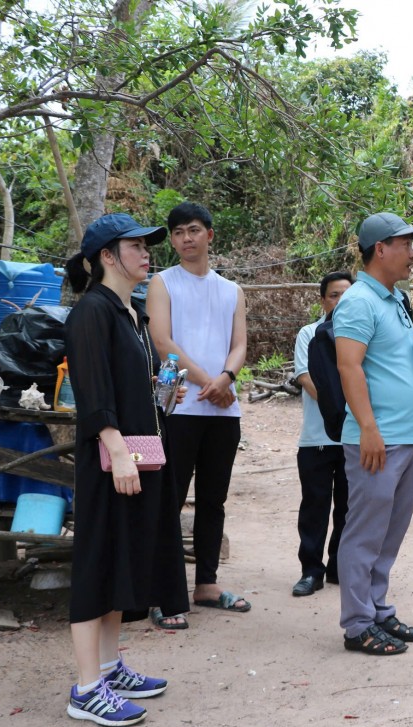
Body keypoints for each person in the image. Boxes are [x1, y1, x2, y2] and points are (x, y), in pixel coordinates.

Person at [63, 213, 189, 727]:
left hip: (137, 455)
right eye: (135, 246)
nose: (146, 252)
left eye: (145, 245)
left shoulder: (131, 315)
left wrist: (164, 395)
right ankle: (87, 689)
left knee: (121, 559)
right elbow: (92, 393)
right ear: (107, 257)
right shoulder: (90, 312)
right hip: (110, 460)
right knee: (97, 563)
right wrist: (115, 449)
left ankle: (111, 668)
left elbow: (130, 388)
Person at [334, 212, 413, 655]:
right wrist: (368, 429)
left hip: (406, 435)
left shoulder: (392, 298)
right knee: (364, 533)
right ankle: (357, 624)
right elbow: (348, 366)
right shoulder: (358, 300)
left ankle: (377, 609)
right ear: (381, 249)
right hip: (378, 440)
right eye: (407, 244)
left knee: (388, 532)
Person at [146, 202, 250, 626]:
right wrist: (212, 381)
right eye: (177, 233)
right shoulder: (161, 282)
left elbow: (240, 344)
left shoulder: (232, 290)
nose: (185, 239)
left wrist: (227, 377)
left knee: (213, 499)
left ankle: (206, 583)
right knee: (167, 498)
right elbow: (162, 341)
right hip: (180, 406)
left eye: (193, 230)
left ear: (210, 234)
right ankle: (160, 592)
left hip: (224, 411)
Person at [291, 271, 354, 597]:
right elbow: (305, 376)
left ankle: (339, 567)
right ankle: (311, 571)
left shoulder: (360, 334)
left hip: (352, 439)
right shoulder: (309, 333)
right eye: (333, 295)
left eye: (346, 295)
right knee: (315, 505)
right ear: (322, 300)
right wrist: (340, 410)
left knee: (348, 506)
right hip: (317, 438)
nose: (340, 301)